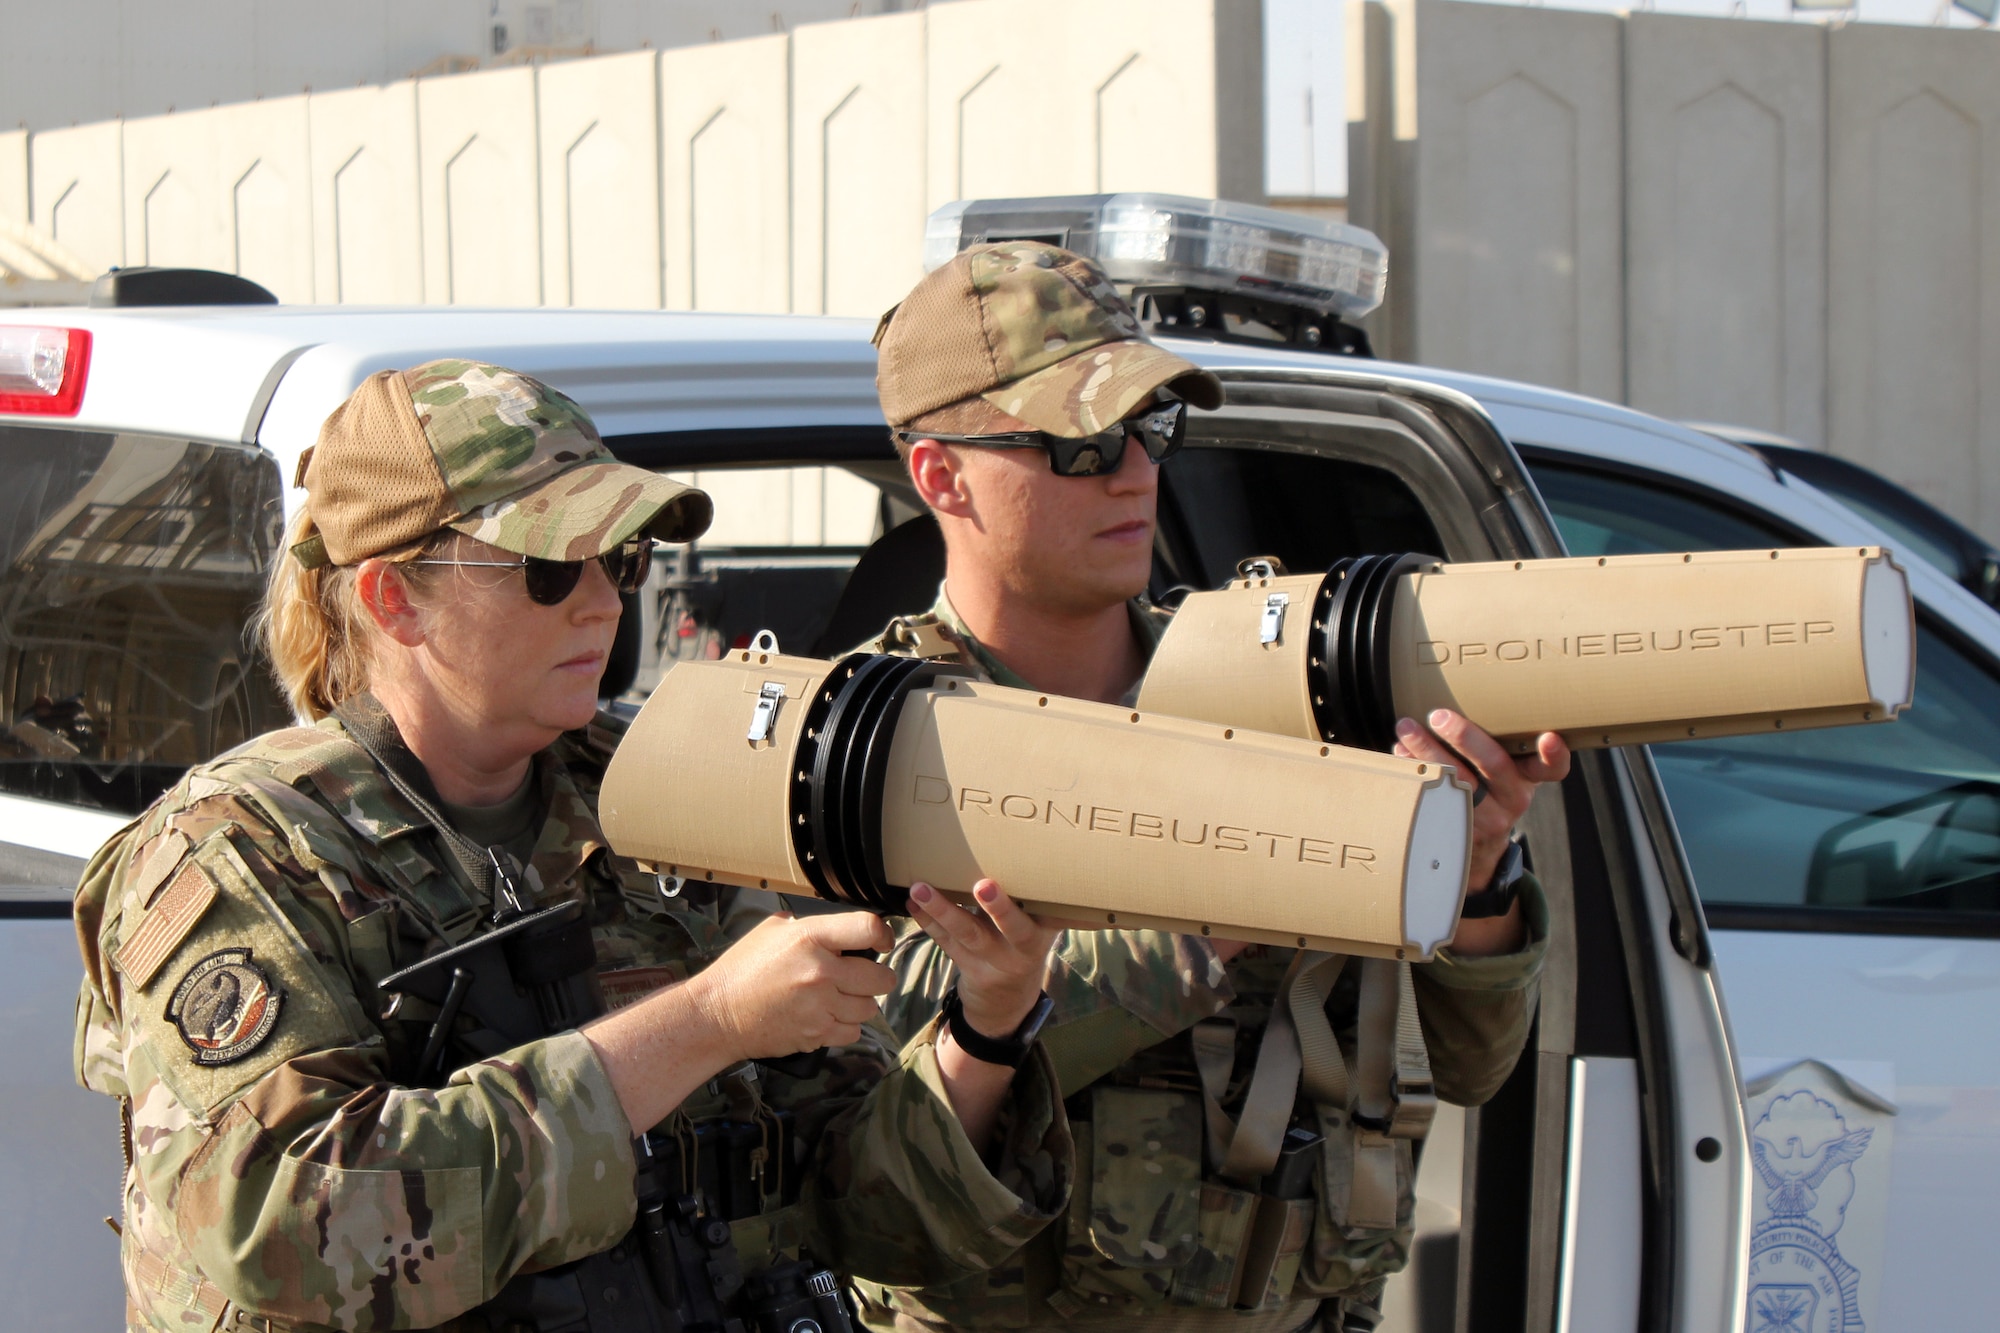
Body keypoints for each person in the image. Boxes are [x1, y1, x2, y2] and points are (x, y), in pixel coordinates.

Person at [72, 360, 1076, 1332]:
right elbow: (281, 1220)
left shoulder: (654, 808)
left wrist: (984, 1028)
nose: (604, 600)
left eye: (621, 558)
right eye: (549, 568)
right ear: (392, 599)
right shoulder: (240, 849)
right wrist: (708, 1019)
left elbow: (856, 1206)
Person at [851, 242, 1572, 1332]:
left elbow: (1470, 1065)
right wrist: (1208, 914)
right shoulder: (862, 754)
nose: (1136, 468)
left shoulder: (1279, 693)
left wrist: (1469, 882)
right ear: (943, 476)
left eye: (1153, 428)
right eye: (1082, 443)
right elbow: (856, 1108)